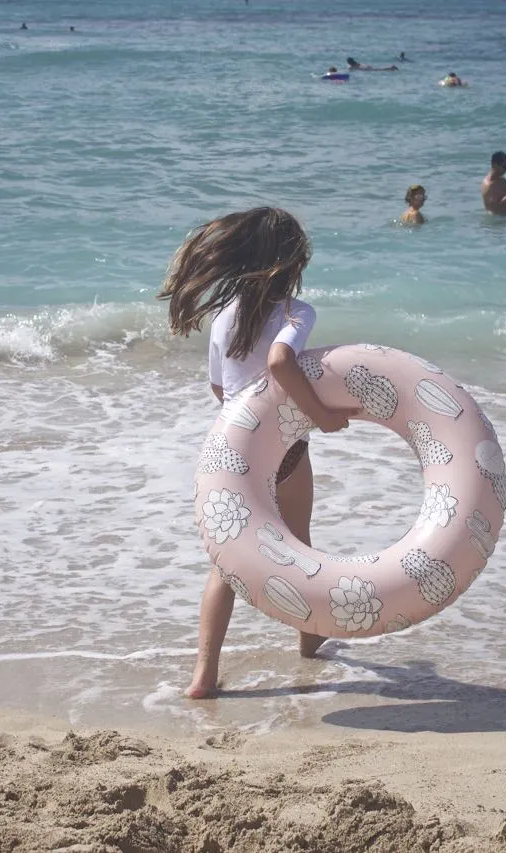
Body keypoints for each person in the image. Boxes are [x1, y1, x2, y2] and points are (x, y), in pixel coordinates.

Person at [157, 207, 359, 699]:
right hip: (283, 448)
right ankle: (310, 640)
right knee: (298, 545)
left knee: (225, 564)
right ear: (290, 264)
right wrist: (321, 414)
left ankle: (203, 676)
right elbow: (280, 360)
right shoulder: (296, 312)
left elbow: (218, 387)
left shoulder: (224, 317)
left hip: (229, 450)